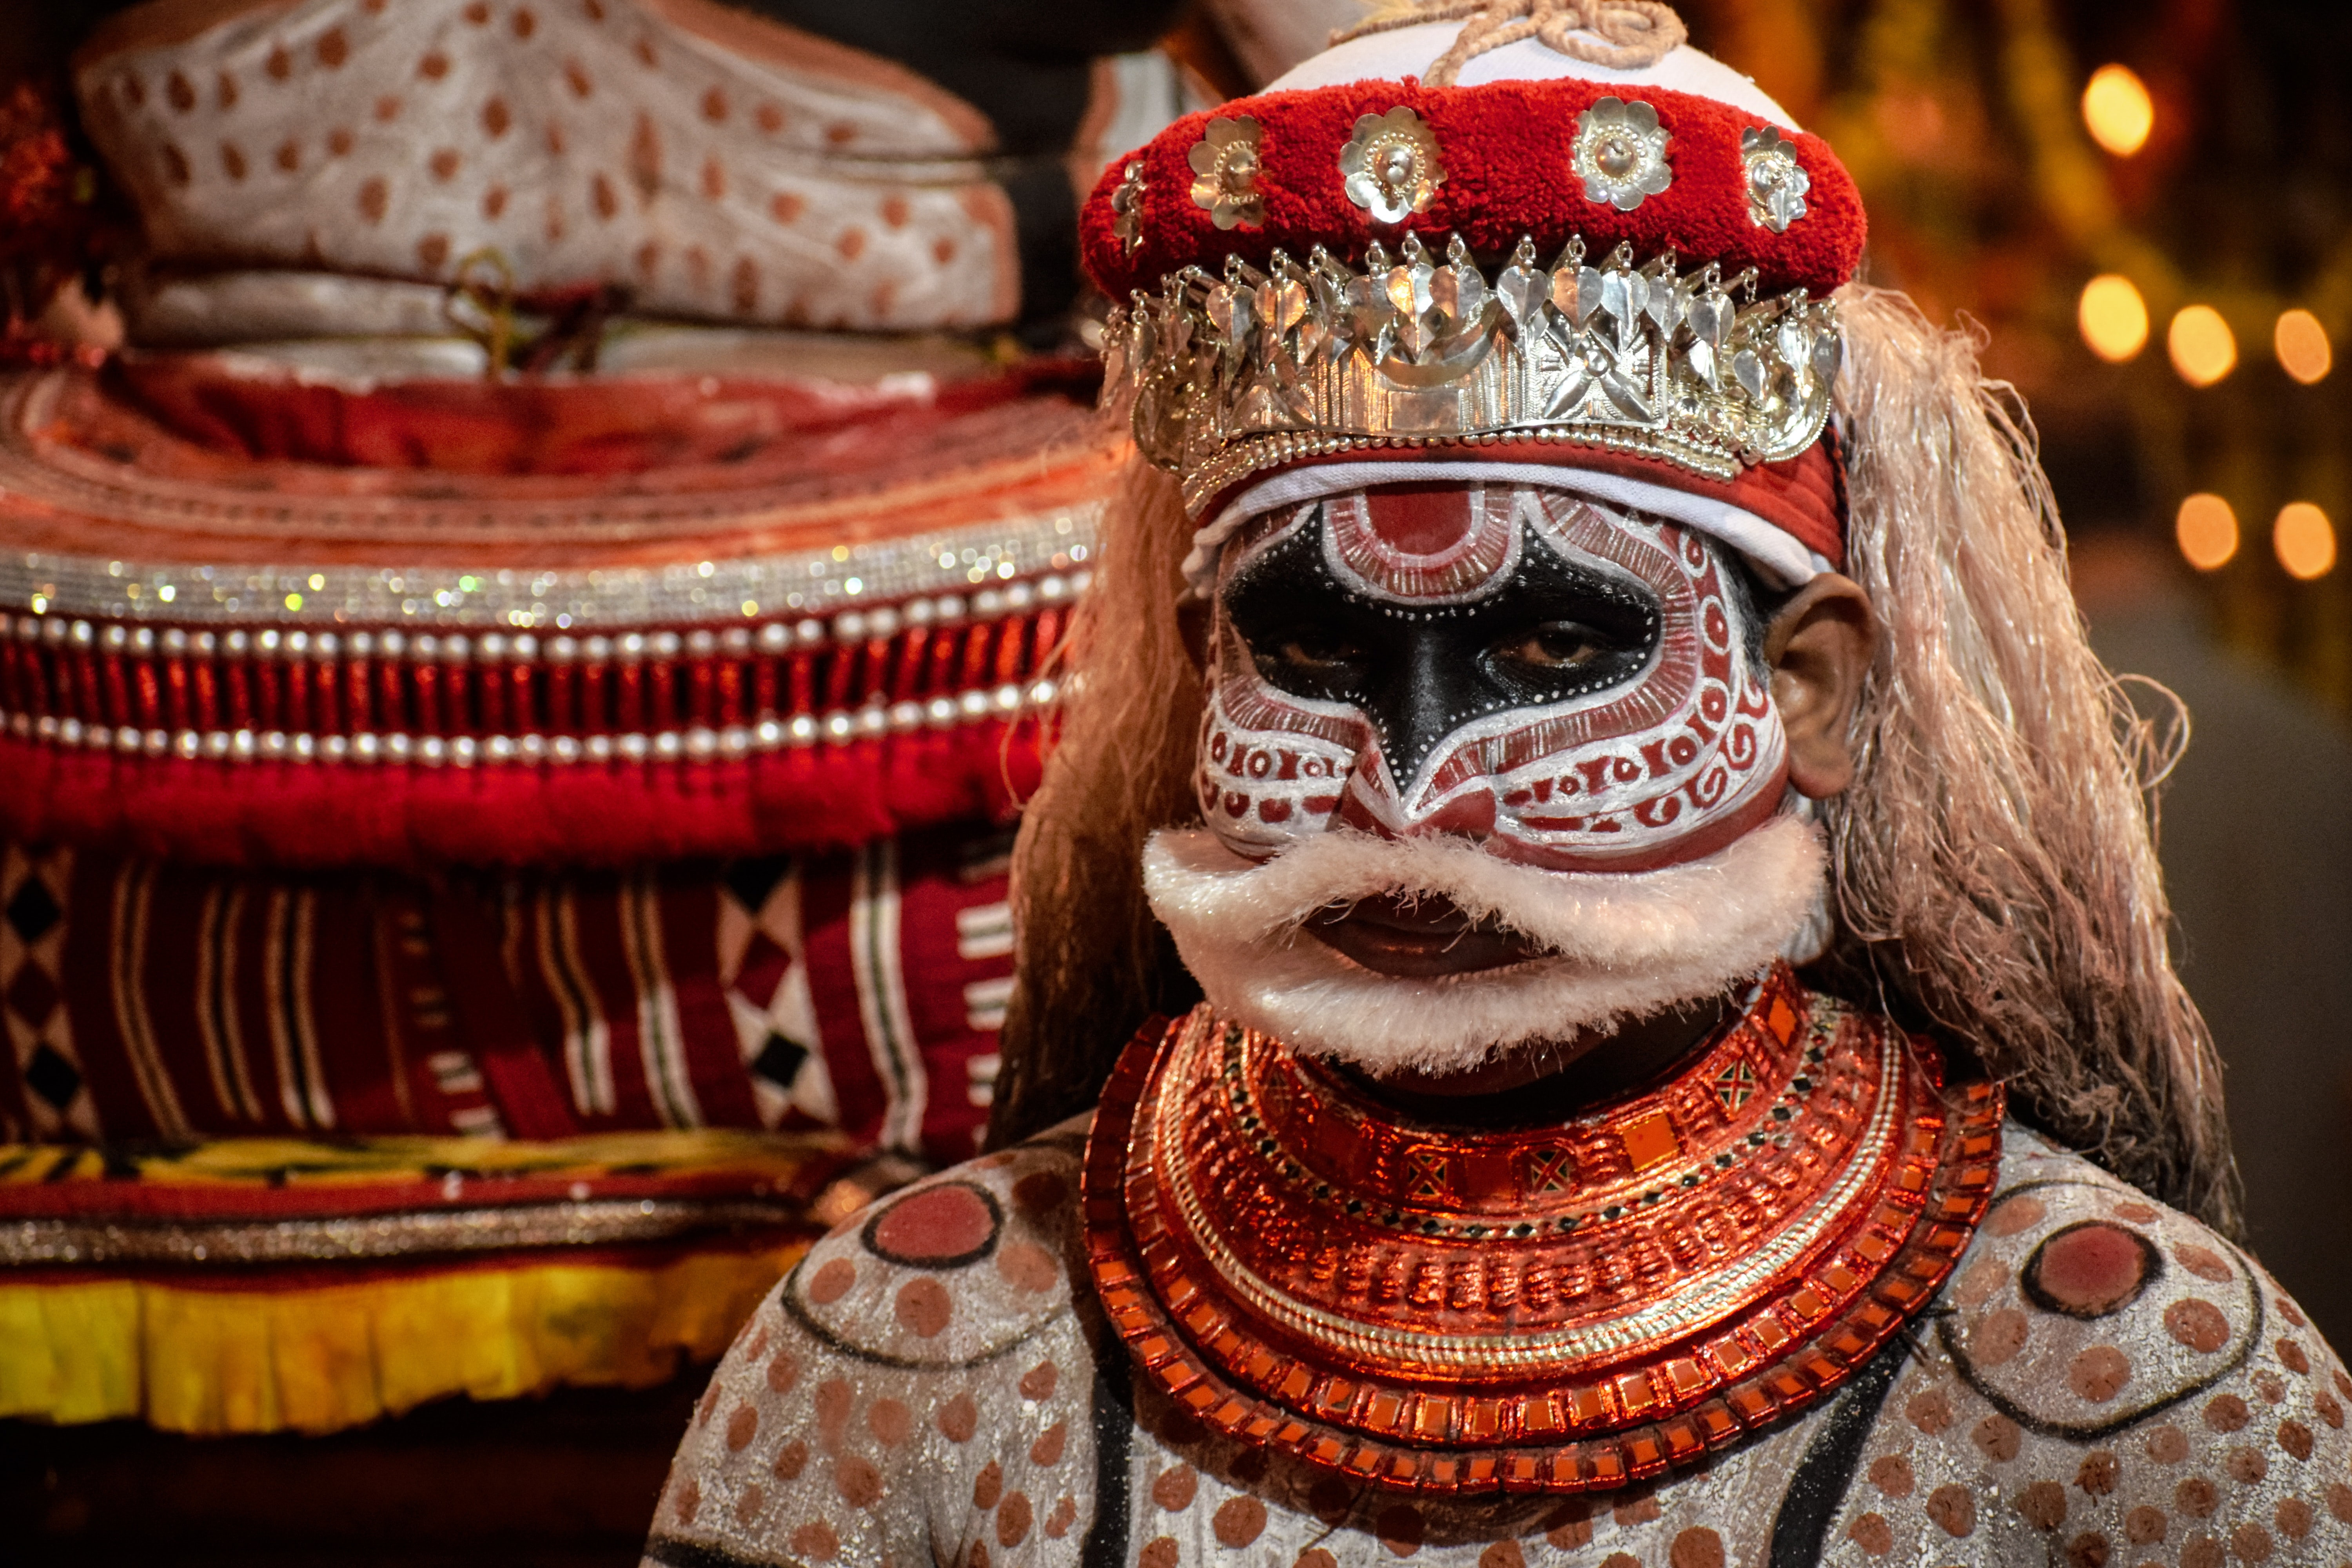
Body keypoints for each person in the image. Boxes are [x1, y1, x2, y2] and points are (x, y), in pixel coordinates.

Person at [639, 4, 2352, 1563]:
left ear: (1811, 687)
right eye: (1311, 653)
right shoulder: (907, 1366)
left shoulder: (2138, 1398)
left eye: (1549, 650)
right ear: (1200, 659)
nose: (1412, 783)